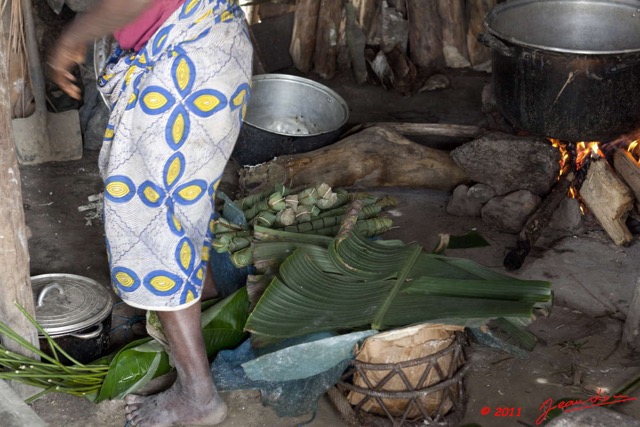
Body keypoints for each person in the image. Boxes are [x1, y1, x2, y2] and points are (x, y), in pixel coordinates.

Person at [49, 0, 253, 425]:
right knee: (182, 209)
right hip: (212, 45)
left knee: (155, 231)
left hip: (185, 64)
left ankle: (199, 395)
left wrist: (72, 37)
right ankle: (209, 322)